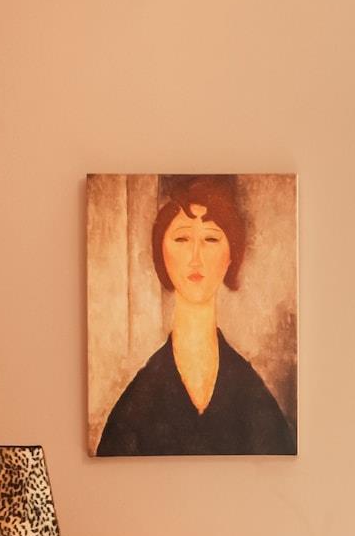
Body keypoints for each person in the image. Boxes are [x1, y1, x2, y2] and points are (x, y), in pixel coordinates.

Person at [96, 175, 294, 455]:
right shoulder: (135, 406)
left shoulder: (255, 400)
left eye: (211, 238)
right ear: (161, 250)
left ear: (231, 254)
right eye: (182, 238)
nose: (195, 257)